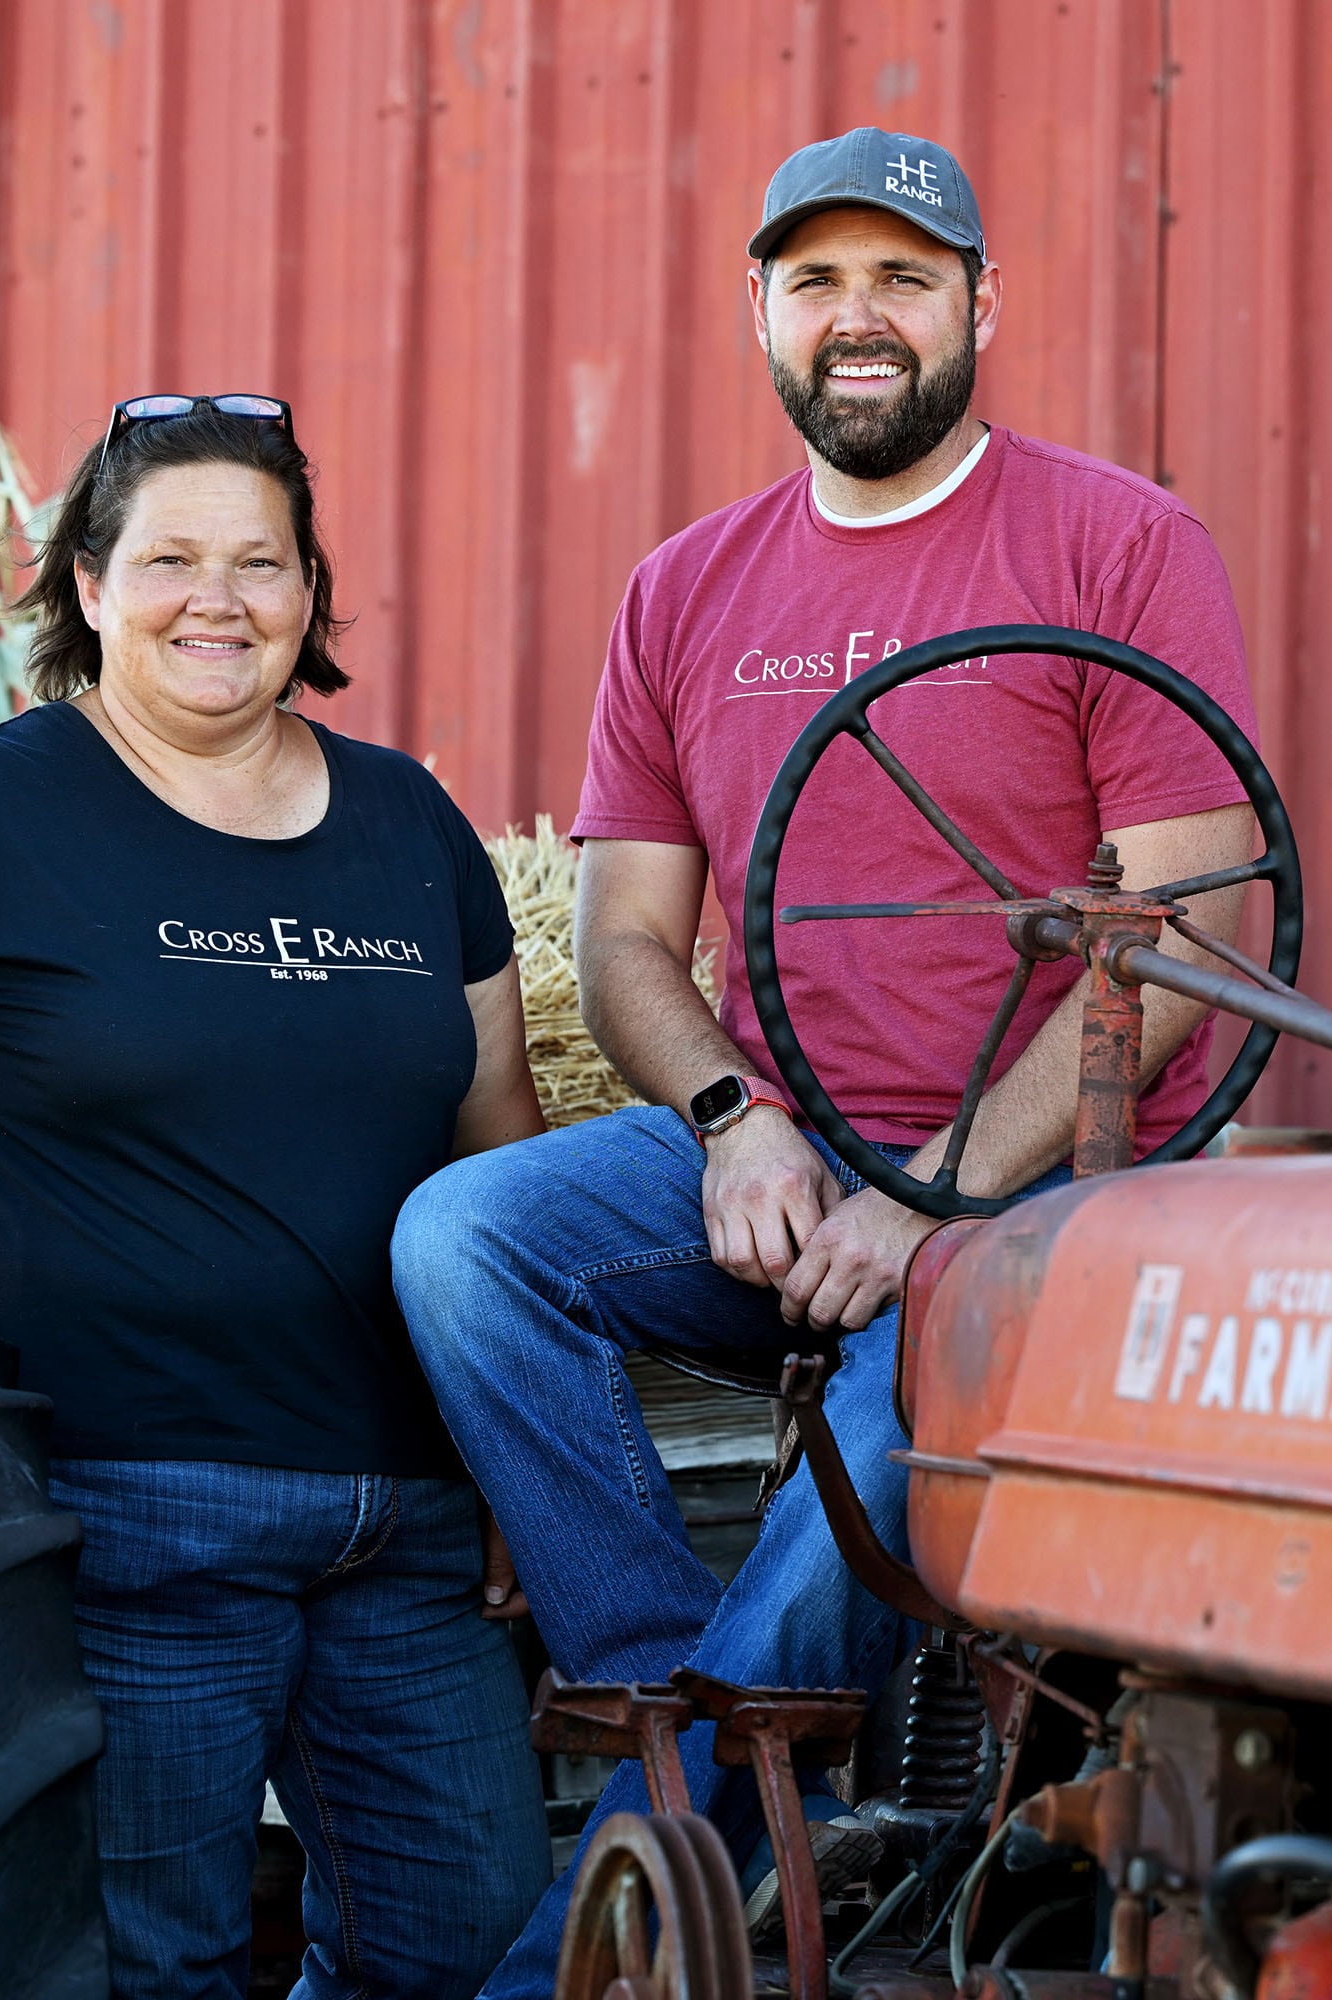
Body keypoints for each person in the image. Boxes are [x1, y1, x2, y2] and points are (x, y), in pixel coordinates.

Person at [393, 128, 1264, 1991]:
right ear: (763, 317)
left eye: (902, 280)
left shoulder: (1115, 542)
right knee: (464, 1241)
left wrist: (930, 1188)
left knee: (847, 1510)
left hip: (1039, 1203)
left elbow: (1193, 934)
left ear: (980, 308)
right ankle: (657, 1679)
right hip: (789, 1173)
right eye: (817, 283)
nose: (856, 320)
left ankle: (604, 1935)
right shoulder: (688, 590)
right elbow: (626, 943)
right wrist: (734, 1121)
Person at [0, 395, 550, 2000]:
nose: (221, 598)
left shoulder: (413, 826)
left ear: (309, 594)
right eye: (172, 557)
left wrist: (510, 1454)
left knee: (467, 1949)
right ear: (86, 583)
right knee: (154, 1973)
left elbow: (497, 1153)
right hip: (114, 1515)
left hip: (406, 1528)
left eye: (262, 562)